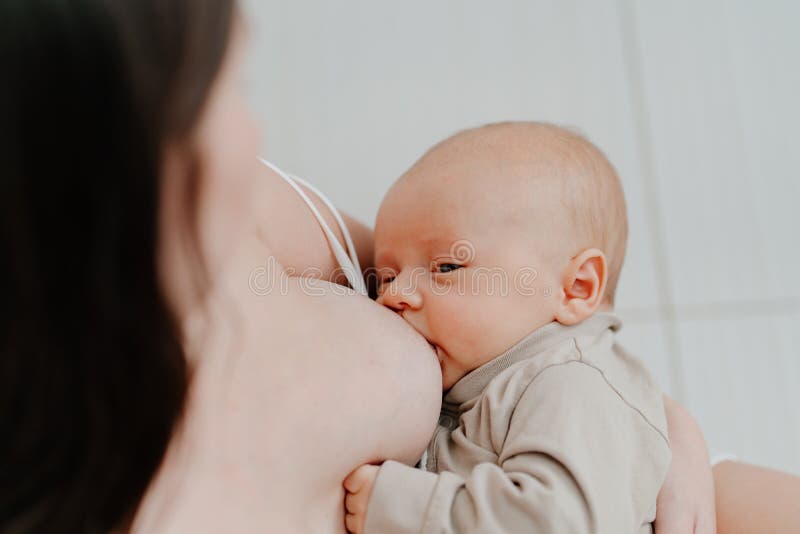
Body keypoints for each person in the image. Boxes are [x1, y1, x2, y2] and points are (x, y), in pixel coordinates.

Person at [1, 1, 795, 533]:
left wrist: (664, 428)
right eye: (217, 88)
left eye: (442, 268)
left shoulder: (253, 217)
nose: (396, 294)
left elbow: (551, 345)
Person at [343, 122, 669, 533]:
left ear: (576, 288)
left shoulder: (570, 383)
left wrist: (404, 506)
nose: (395, 295)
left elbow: (558, 524)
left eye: (446, 267)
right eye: (386, 276)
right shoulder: (480, 385)